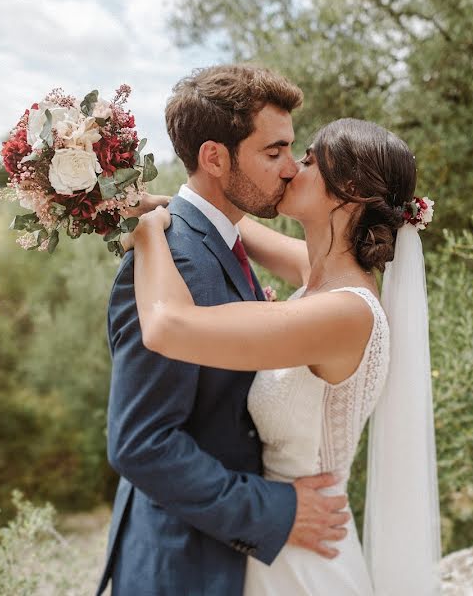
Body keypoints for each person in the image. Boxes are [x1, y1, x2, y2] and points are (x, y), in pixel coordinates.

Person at [125, 117, 442, 595]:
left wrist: (148, 233)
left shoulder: (344, 313)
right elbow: (227, 223)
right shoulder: (322, 276)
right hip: (275, 534)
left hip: (306, 553)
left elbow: (168, 326)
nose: (292, 168)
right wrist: (170, 200)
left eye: (310, 161)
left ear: (347, 191)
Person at [96, 65, 353, 596]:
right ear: (215, 157)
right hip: (182, 567)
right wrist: (274, 509)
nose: (290, 168)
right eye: (273, 151)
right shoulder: (176, 259)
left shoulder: (222, 242)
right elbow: (141, 443)